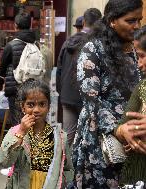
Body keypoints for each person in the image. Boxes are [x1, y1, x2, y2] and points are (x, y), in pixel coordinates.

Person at [73, 0, 143, 188]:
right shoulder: (93, 50)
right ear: (112, 21)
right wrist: (119, 129)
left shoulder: (139, 49)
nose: (137, 26)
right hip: (102, 143)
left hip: (137, 141)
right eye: (131, 21)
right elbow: (91, 100)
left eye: (140, 20)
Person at [0, 79, 74, 189]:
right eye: (30, 105)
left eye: (42, 104)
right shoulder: (15, 132)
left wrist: (63, 181)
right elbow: (4, 161)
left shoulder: (60, 137)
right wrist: (21, 133)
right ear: (23, 107)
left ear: (48, 107)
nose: (36, 110)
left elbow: (67, 168)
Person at [56, 8, 102, 147]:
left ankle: (60, 167)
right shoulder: (97, 44)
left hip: (67, 95)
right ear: (99, 23)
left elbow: (59, 70)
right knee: (87, 137)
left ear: (83, 23)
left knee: (68, 136)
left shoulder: (67, 42)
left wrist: (62, 91)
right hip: (88, 97)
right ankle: (78, 168)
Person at [115, 26, 146, 185]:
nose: (139, 64)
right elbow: (121, 126)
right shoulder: (142, 87)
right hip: (136, 173)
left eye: (142, 56)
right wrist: (125, 132)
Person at [0, 10, 36, 126]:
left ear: (15, 26)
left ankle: (19, 143)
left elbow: (2, 71)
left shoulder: (10, 45)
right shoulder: (36, 45)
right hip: (32, 88)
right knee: (30, 119)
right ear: (29, 25)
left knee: (17, 122)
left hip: (14, 89)